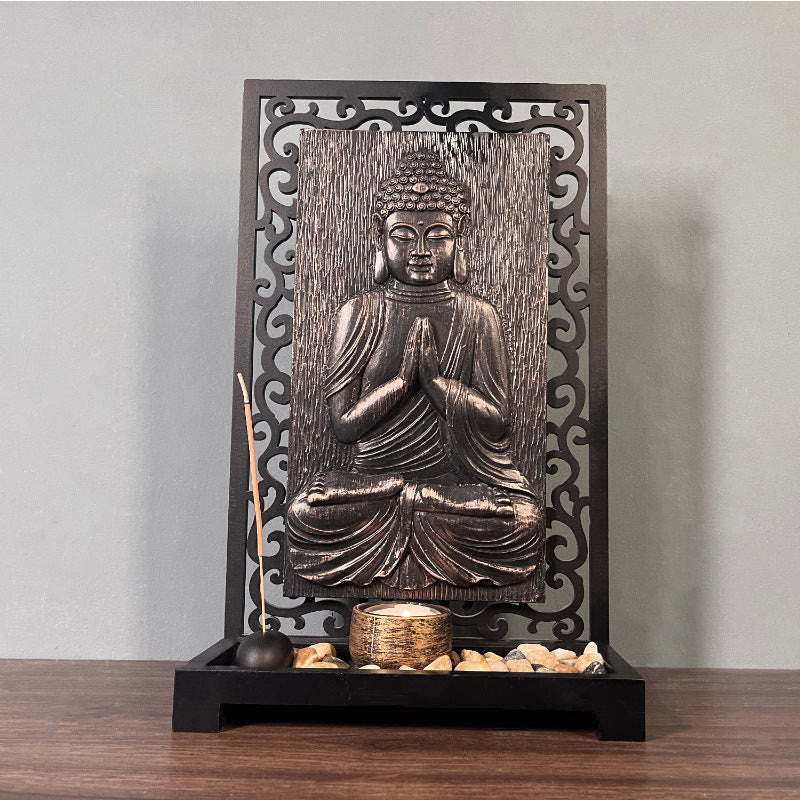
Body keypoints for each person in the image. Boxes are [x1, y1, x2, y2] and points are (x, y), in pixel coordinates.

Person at [287, 150, 543, 593]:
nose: (421, 251)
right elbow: (343, 427)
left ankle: (411, 497)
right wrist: (401, 383)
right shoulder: (359, 313)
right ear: (381, 239)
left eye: (437, 235)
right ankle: (404, 497)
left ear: (459, 239)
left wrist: (439, 385)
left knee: (525, 521)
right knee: (303, 514)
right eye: (403, 235)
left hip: (451, 489)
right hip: (370, 483)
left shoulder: (478, 315)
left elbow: (497, 420)